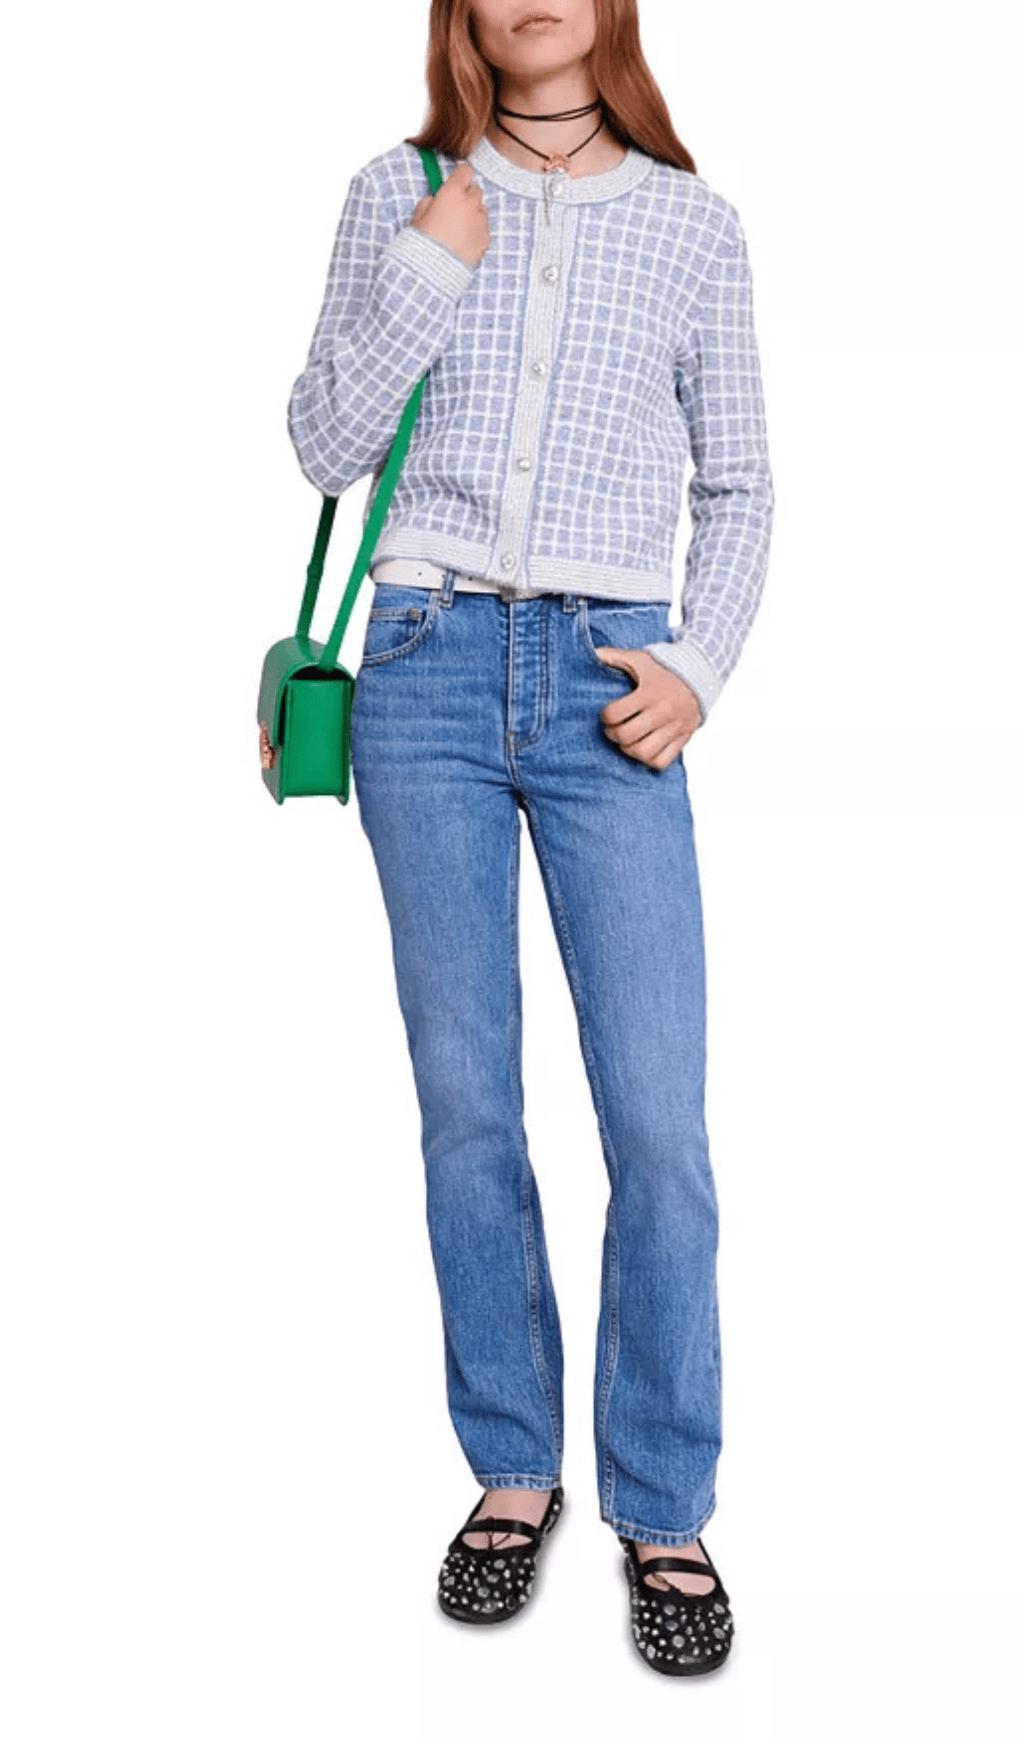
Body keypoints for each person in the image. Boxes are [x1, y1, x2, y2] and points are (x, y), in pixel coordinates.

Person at [286, 0, 773, 1677]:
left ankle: (665, 1500)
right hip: (421, 671)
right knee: (469, 1106)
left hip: (607, 681)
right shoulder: (398, 190)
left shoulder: (695, 224)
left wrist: (699, 666)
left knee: (660, 1121)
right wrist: (432, 265)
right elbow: (325, 444)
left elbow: (743, 486)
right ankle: (512, 1467)